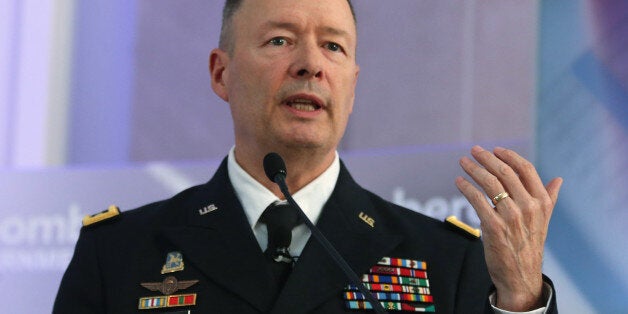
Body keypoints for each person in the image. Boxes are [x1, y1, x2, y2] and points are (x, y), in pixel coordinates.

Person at [53, 0, 562, 313]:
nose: (311, 65)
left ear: (353, 87)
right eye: (280, 40)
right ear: (221, 74)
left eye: (334, 47)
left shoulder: (449, 262)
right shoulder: (118, 254)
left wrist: (520, 299)